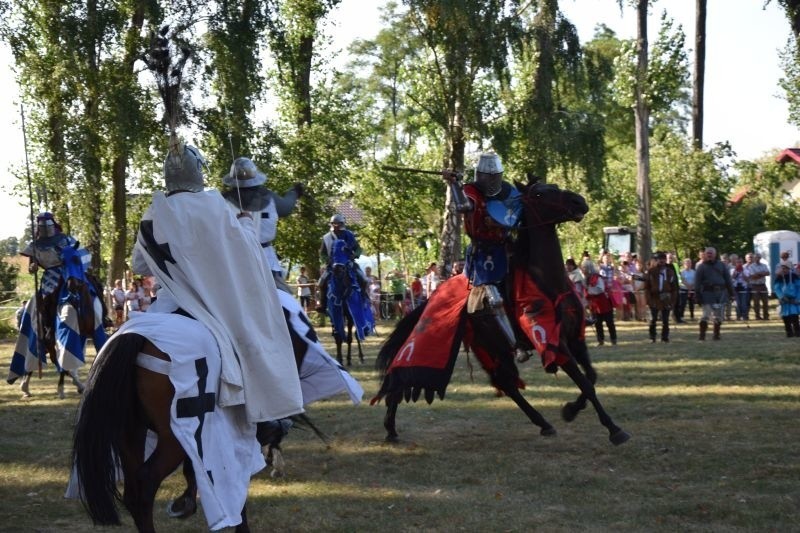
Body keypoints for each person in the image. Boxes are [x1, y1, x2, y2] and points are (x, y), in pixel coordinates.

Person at [131, 138, 303, 424]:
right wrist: (247, 224)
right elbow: (246, 251)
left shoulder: (153, 211)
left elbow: (139, 263)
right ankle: (268, 413)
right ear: (198, 171)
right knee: (257, 330)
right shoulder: (213, 204)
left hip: (166, 304)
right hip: (211, 302)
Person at [442, 152, 521, 349]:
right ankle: (515, 345)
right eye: (489, 176)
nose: (493, 181)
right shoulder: (470, 191)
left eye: (496, 176)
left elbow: (516, 214)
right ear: (480, 175)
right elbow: (462, 206)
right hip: (484, 253)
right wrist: (453, 183)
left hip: (507, 246)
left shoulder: (508, 192)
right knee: (494, 298)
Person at [221, 157, 304, 294]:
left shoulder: (221, 200)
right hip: (266, 259)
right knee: (283, 296)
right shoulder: (269, 197)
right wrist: (293, 193)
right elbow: (286, 207)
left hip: (234, 260)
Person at [316, 213, 366, 311]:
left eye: (338, 224)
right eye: (334, 224)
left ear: (342, 224)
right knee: (321, 282)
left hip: (348, 264)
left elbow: (358, 249)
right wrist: (327, 260)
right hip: (332, 265)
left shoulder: (349, 235)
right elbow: (322, 253)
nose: (336, 226)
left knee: (363, 279)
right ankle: (323, 305)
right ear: (331, 224)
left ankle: (363, 300)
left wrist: (354, 255)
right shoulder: (326, 237)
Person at [694, 247, 734, 341]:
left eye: (711, 253)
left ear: (715, 254)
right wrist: (698, 295)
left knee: (718, 316)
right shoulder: (701, 267)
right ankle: (702, 335)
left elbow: (728, 280)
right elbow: (697, 282)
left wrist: (732, 293)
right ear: (705, 254)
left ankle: (716, 335)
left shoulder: (722, 265)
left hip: (720, 293)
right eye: (708, 253)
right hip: (707, 294)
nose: (709, 254)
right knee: (706, 315)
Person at [644, 252, 679, 343]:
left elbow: (674, 288)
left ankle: (665, 337)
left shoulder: (670, 272)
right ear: (656, 260)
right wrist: (649, 300)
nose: (662, 261)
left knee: (665, 320)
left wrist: (673, 300)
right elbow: (647, 288)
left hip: (666, 297)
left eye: (663, 259)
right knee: (653, 319)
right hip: (654, 297)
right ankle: (652, 337)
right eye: (660, 259)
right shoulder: (651, 272)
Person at [583, 260, 617, 346]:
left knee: (609, 323)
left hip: (604, 303)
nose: (583, 270)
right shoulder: (586, 279)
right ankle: (600, 340)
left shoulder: (597, 277)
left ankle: (613, 339)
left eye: (584, 268)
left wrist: (589, 290)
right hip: (594, 305)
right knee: (597, 323)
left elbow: (600, 289)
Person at [773, 261, 800, 337]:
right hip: (784, 301)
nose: (783, 270)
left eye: (785, 268)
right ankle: (789, 332)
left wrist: (798, 298)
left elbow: (799, 288)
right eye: (782, 268)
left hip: (794, 300)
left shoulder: (794, 277)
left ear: (789, 268)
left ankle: (797, 332)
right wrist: (781, 297)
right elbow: (777, 288)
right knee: (785, 317)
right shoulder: (779, 278)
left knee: (794, 316)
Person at [746, 253, 770, 320]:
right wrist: (762, 274)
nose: (757, 259)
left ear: (760, 258)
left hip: (763, 285)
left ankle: (766, 316)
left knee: (765, 301)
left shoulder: (764, 265)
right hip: (755, 286)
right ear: (754, 258)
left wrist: (758, 274)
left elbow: (768, 273)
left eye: (758, 257)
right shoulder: (751, 267)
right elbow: (752, 276)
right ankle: (757, 316)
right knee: (756, 302)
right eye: (756, 257)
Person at [730, 256, 749, 321]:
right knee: (737, 303)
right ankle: (738, 316)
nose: (739, 263)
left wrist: (742, 271)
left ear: (743, 262)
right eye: (738, 262)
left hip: (743, 288)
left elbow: (747, 280)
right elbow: (732, 278)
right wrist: (736, 271)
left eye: (740, 262)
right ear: (736, 263)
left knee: (743, 303)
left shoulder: (746, 270)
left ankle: (744, 316)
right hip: (735, 288)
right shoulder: (732, 270)